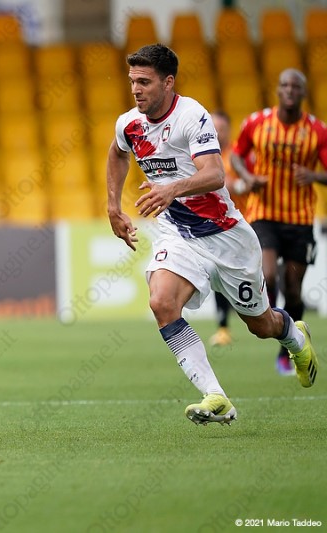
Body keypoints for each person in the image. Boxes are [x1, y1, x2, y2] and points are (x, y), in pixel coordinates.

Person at [106, 44, 318, 426]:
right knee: (161, 302)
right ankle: (216, 396)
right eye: (132, 81)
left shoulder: (192, 116)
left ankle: (294, 337)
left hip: (226, 236)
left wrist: (171, 189)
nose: (135, 89)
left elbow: (216, 174)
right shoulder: (129, 124)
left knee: (261, 325)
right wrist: (112, 207)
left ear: (168, 82)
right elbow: (118, 152)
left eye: (144, 82)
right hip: (178, 233)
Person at [230, 68, 327, 376]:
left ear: (303, 92)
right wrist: (247, 177)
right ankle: (268, 321)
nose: (289, 90)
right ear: (278, 90)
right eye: (284, 85)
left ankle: (288, 347)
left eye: (295, 86)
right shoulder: (257, 123)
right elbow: (236, 154)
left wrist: (314, 175)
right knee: (268, 275)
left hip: (300, 219)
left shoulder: (317, 131)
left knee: (293, 289)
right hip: (264, 215)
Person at [208, 110, 249, 347]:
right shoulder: (204, 154)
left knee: (254, 275)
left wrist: (238, 185)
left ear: (228, 131)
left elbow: (246, 183)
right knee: (218, 273)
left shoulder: (237, 156)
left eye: (220, 129)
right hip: (217, 226)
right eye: (213, 128)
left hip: (245, 224)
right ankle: (223, 327)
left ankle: (270, 318)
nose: (216, 133)